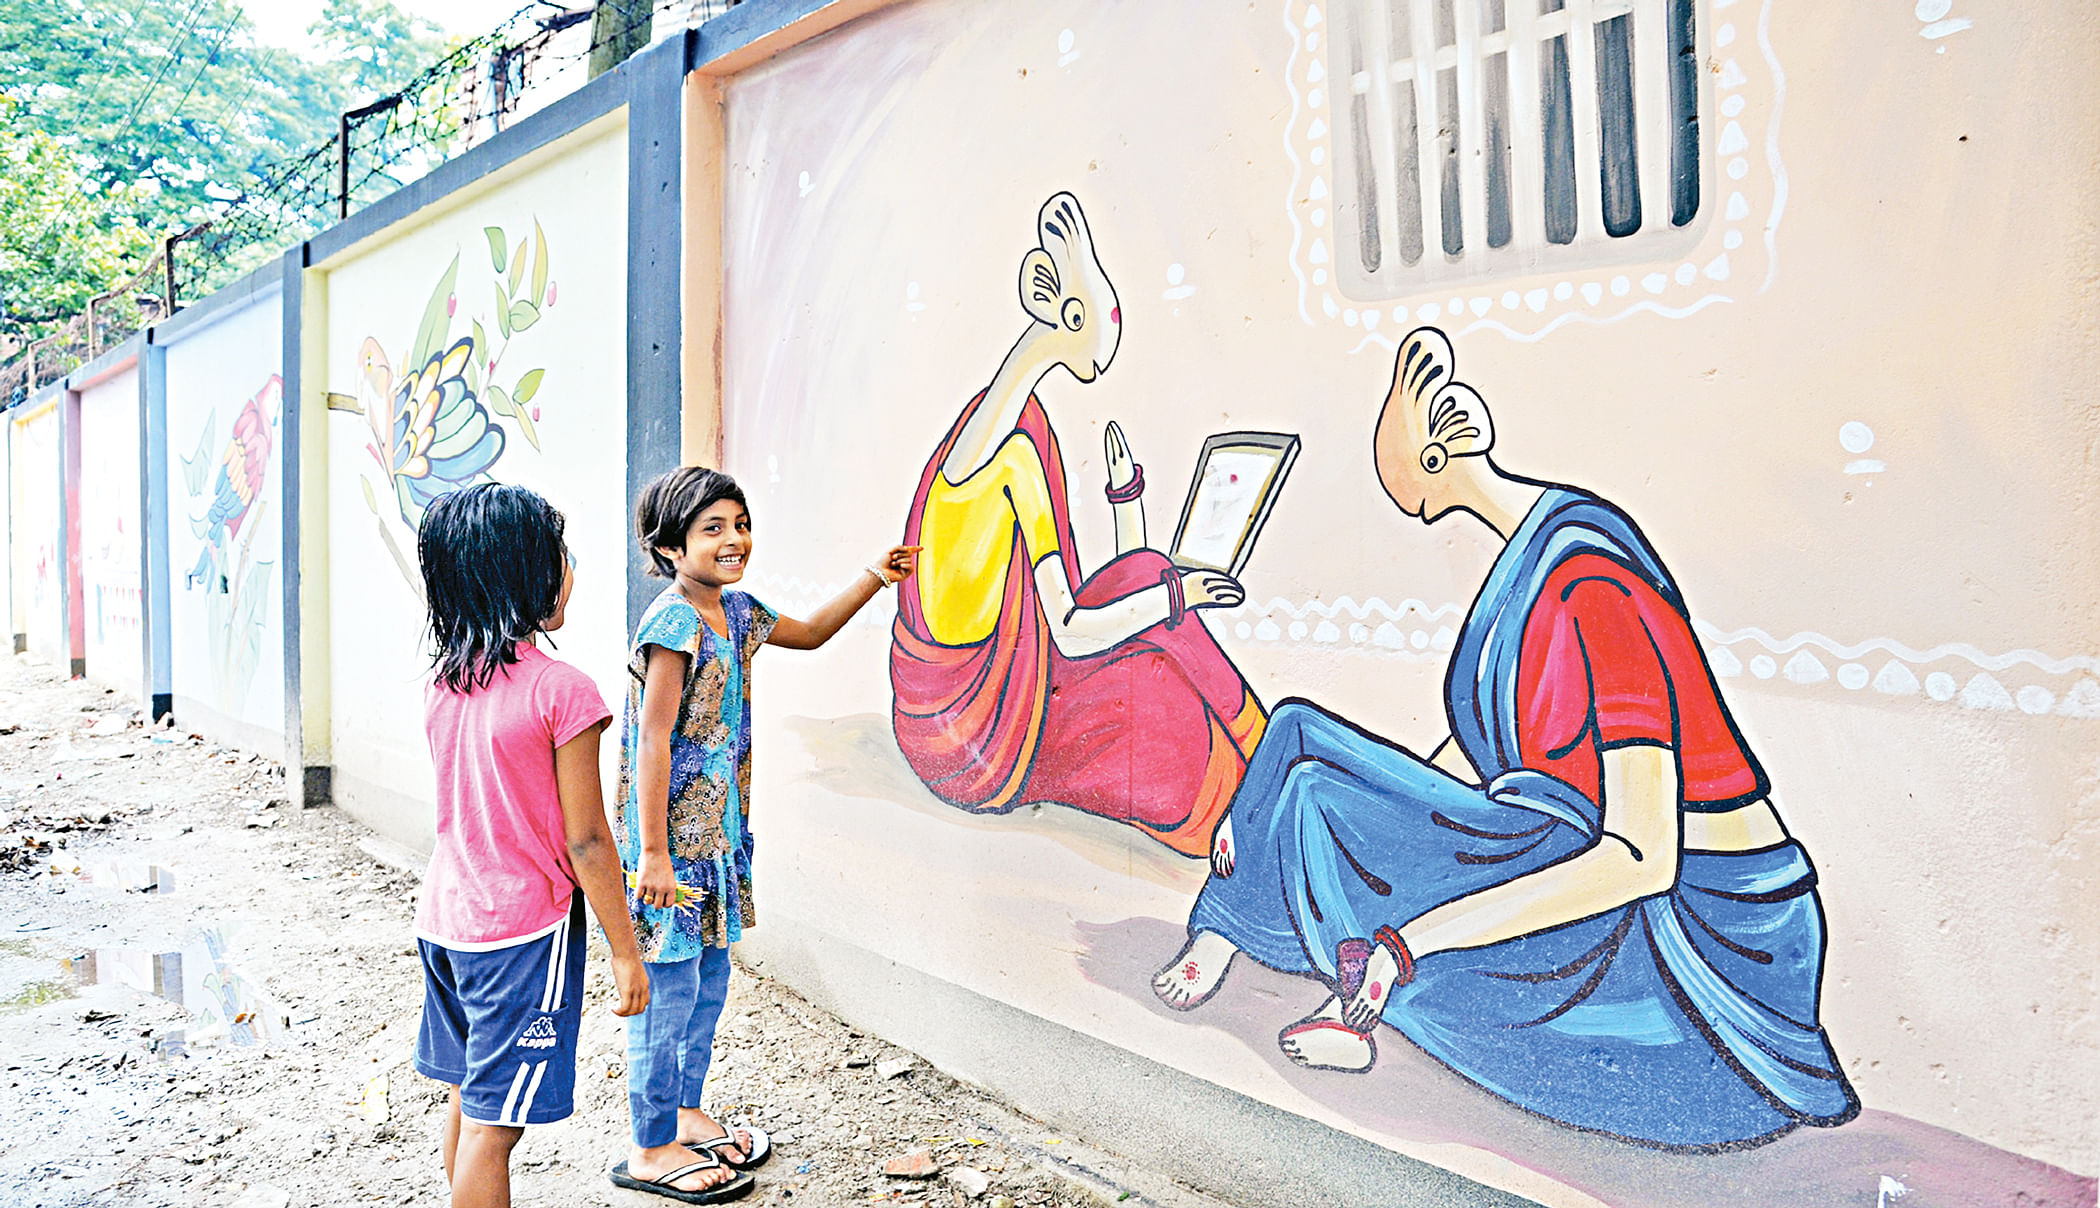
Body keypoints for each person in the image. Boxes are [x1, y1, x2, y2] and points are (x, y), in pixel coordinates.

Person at [1152, 328, 1861, 1152]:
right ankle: (1231, 932)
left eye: (1405, 478)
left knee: (1343, 818)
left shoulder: (1592, 582)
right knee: (1305, 756)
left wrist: (1412, 938)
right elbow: (1465, 771)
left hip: (1695, 949)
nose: (1412, 507)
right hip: (1564, 845)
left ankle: (1364, 989)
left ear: (1433, 464)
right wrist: (1297, 814)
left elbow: (1642, 857)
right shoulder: (1532, 568)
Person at [890, 192, 1265, 855]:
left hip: (1018, 687)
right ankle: (1260, 787)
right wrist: (1178, 597)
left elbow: (1075, 602)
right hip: (975, 736)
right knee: (1167, 715)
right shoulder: (1015, 457)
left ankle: (1265, 755)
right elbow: (1069, 626)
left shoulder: (1003, 427)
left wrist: (1127, 503)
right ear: (1064, 315)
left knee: (1147, 570)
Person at [613, 467, 918, 1203]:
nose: (735, 539)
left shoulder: (737, 611)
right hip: (670, 851)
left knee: (708, 985)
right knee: (669, 995)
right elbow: (652, 741)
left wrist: (876, 576)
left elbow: (808, 634)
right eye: (713, 528)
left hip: (717, 840)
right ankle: (650, 1146)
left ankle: (685, 1113)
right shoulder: (673, 624)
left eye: (741, 524)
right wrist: (652, 853)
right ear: (670, 547)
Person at [411, 484, 651, 1208]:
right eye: (560, 557)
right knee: (496, 1126)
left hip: (446, 922)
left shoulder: (446, 683)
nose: (571, 570)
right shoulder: (562, 691)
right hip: (518, 935)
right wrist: (625, 950)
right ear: (529, 575)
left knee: (471, 1098)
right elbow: (587, 839)